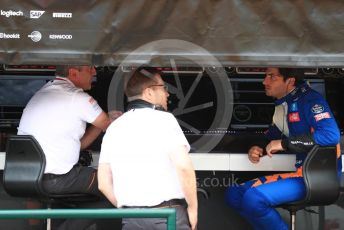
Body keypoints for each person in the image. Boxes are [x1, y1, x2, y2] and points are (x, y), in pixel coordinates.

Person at [225, 67, 342, 230]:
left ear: (290, 81)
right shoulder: (284, 104)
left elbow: (331, 136)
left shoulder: (310, 100)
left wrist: (284, 144)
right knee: (234, 195)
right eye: (265, 76)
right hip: (299, 174)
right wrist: (258, 148)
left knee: (254, 199)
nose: (264, 81)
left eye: (272, 77)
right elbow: (272, 137)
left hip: (318, 177)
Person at [18, 65, 122, 230]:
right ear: (74, 72)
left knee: (99, 190)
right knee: (115, 185)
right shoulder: (77, 97)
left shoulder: (41, 94)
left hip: (25, 178)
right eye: (89, 69)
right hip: (57, 179)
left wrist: (103, 122)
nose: (95, 72)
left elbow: (79, 145)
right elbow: (107, 124)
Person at [98, 67, 198, 230]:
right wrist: (193, 208)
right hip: (167, 217)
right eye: (163, 88)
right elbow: (183, 167)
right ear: (149, 93)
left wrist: (130, 209)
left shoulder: (114, 128)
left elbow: (103, 183)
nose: (167, 94)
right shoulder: (164, 120)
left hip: (131, 219)